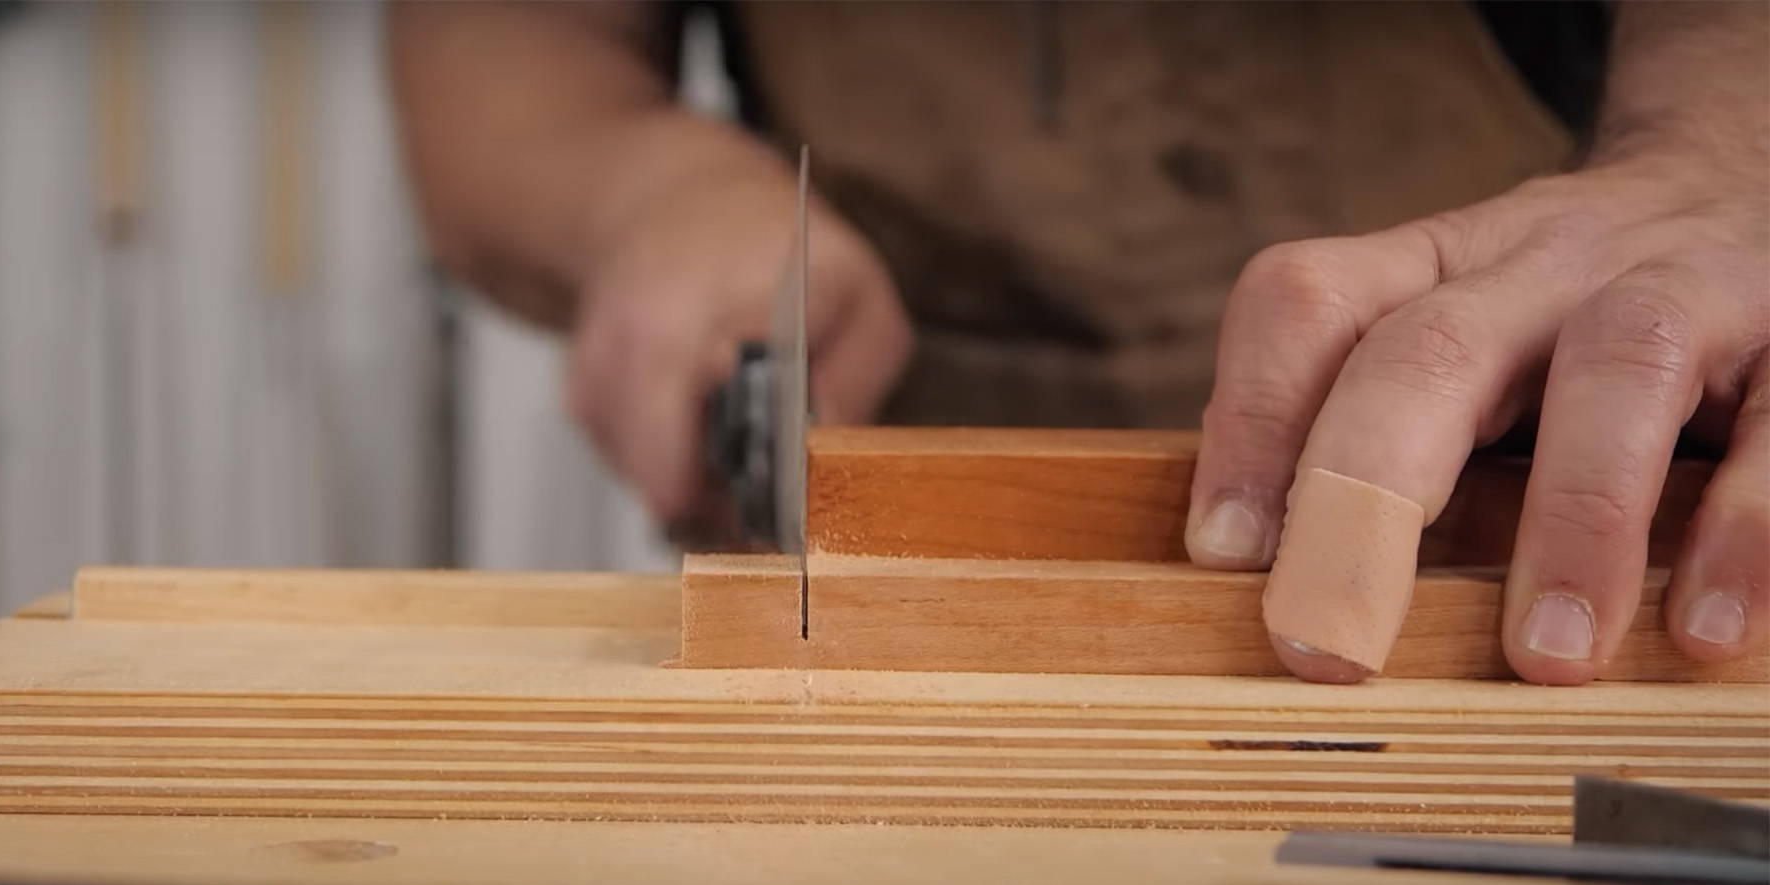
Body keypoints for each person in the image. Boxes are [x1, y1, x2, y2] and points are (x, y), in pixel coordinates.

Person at [389, 1, 1767, 685]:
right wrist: (654, 195)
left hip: (1532, 529)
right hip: (910, 586)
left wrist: (1721, 157)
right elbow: (513, 52)